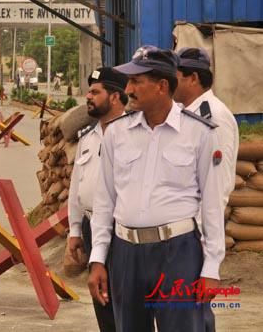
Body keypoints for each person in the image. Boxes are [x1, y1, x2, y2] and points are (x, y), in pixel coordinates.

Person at [88, 46, 225, 332]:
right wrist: (98, 258)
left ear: (162, 86)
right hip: (125, 254)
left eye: (137, 81)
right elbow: (104, 201)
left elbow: (212, 204)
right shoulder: (117, 132)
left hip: (178, 253)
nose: (129, 89)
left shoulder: (200, 132)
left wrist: (211, 267)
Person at [68, 67, 128, 332]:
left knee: (126, 299)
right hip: (93, 227)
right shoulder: (88, 137)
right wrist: (74, 229)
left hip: (123, 229)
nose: (88, 97)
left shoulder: (133, 133)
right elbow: (76, 184)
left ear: (115, 97)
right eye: (88, 91)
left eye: (95, 92)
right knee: (101, 298)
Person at [175, 47, 239, 205]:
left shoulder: (214, 116)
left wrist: (200, 227)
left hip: (197, 224)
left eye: (173, 77)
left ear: (193, 78)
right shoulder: (183, 111)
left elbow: (219, 183)